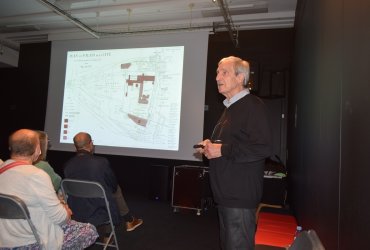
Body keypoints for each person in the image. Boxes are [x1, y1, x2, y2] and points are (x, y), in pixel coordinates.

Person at [195, 56, 272, 250]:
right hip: (226, 196)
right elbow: (230, 144)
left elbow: (262, 148)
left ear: (240, 78)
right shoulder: (229, 109)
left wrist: (222, 149)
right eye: (217, 72)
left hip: (239, 197)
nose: (217, 77)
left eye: (224, 72)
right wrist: (211, 146)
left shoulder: (252, 106)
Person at [0, 129, 98, 249]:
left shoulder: (2, 169)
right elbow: (60, 218)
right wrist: (65, 211)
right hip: (32, 242)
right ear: (37, 149)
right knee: (89, 230)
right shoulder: (36, 175)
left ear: (11, 148)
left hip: (4, 241)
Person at [63, 132, 143, 235]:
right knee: (113, 191)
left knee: (107, 191)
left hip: (76, 209)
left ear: (75, 146)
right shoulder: (101, 162)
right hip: (99, 208)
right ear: (91, 143)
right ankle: (116, 229)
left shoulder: (68, 165)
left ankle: (128, 221)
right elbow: (113, 186)